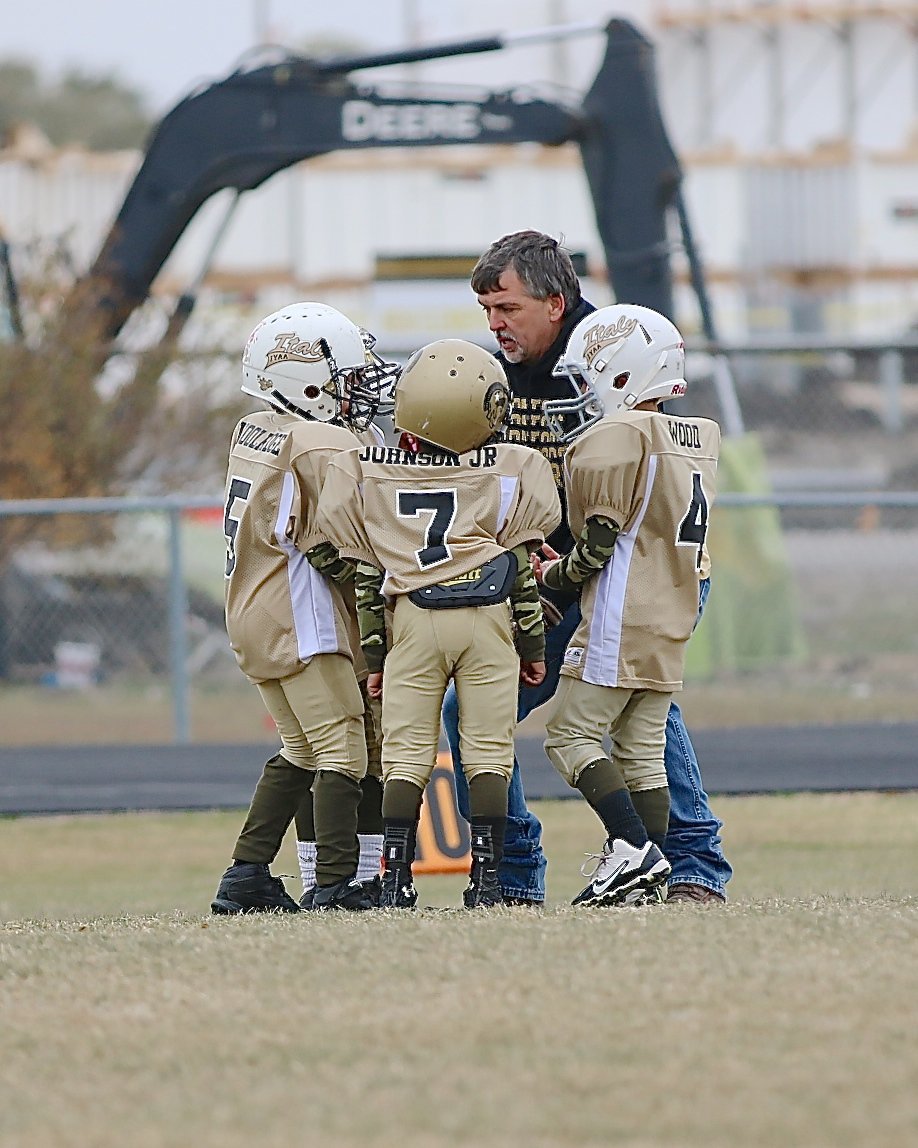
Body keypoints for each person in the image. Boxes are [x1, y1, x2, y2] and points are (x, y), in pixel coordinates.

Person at [442, 229, 732, 904]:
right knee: (476, 708)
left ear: (556, 301)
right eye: (486, 310)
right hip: (557, 572)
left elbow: (634, 501)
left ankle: (687, 864)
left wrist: (560, 573)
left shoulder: (611, 357)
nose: (495, 325)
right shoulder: (504, 375)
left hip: (623, 571)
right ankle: (514, 877)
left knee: (632, 711)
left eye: (506, 308)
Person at [316, 339, 561, 909]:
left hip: (414, 618)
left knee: (405, 754)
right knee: (488, 751)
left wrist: (374, 659)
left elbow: (367, 580)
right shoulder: (511, 470)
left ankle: (397, 879)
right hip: (490, 619)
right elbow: (520, 568)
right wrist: (533, 645)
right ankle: (490, 878)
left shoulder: (365, 474)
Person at [210, 300, 398, 914]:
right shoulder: (316, 442)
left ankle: (247, 872)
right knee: (342, 748)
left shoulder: (258, 429)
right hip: (300, 613)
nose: (355, 393)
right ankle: (335, 883)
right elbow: (335, 538)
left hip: (254, 609)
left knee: (299, 748)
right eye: (345, 379)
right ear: (306, 381)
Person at [531, 302, 719, 906]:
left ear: (621, 374)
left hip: (622, 608)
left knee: (568, 736)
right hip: (673, 607)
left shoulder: (617, 438)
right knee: (640, 751)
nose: (582, 398)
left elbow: (598, 545)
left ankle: (632, 852)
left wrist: (554, 574)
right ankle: (653, 868)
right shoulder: (693, 436)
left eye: (589, 380)